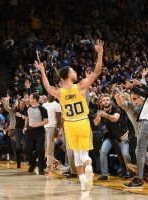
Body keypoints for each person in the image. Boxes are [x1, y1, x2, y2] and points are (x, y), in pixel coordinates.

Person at [34, 40, 103, 191]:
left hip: (70, 125)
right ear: (68, 76)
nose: (75, 73)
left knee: (76, 155)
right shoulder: (81, 86)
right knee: (84, 155)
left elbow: (46, 87)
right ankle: (89, 167)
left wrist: (43, 71)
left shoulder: (59, 93)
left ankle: (84, 182)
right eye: (73, 71)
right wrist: (99, 52)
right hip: (83, 122)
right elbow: (97, 72)